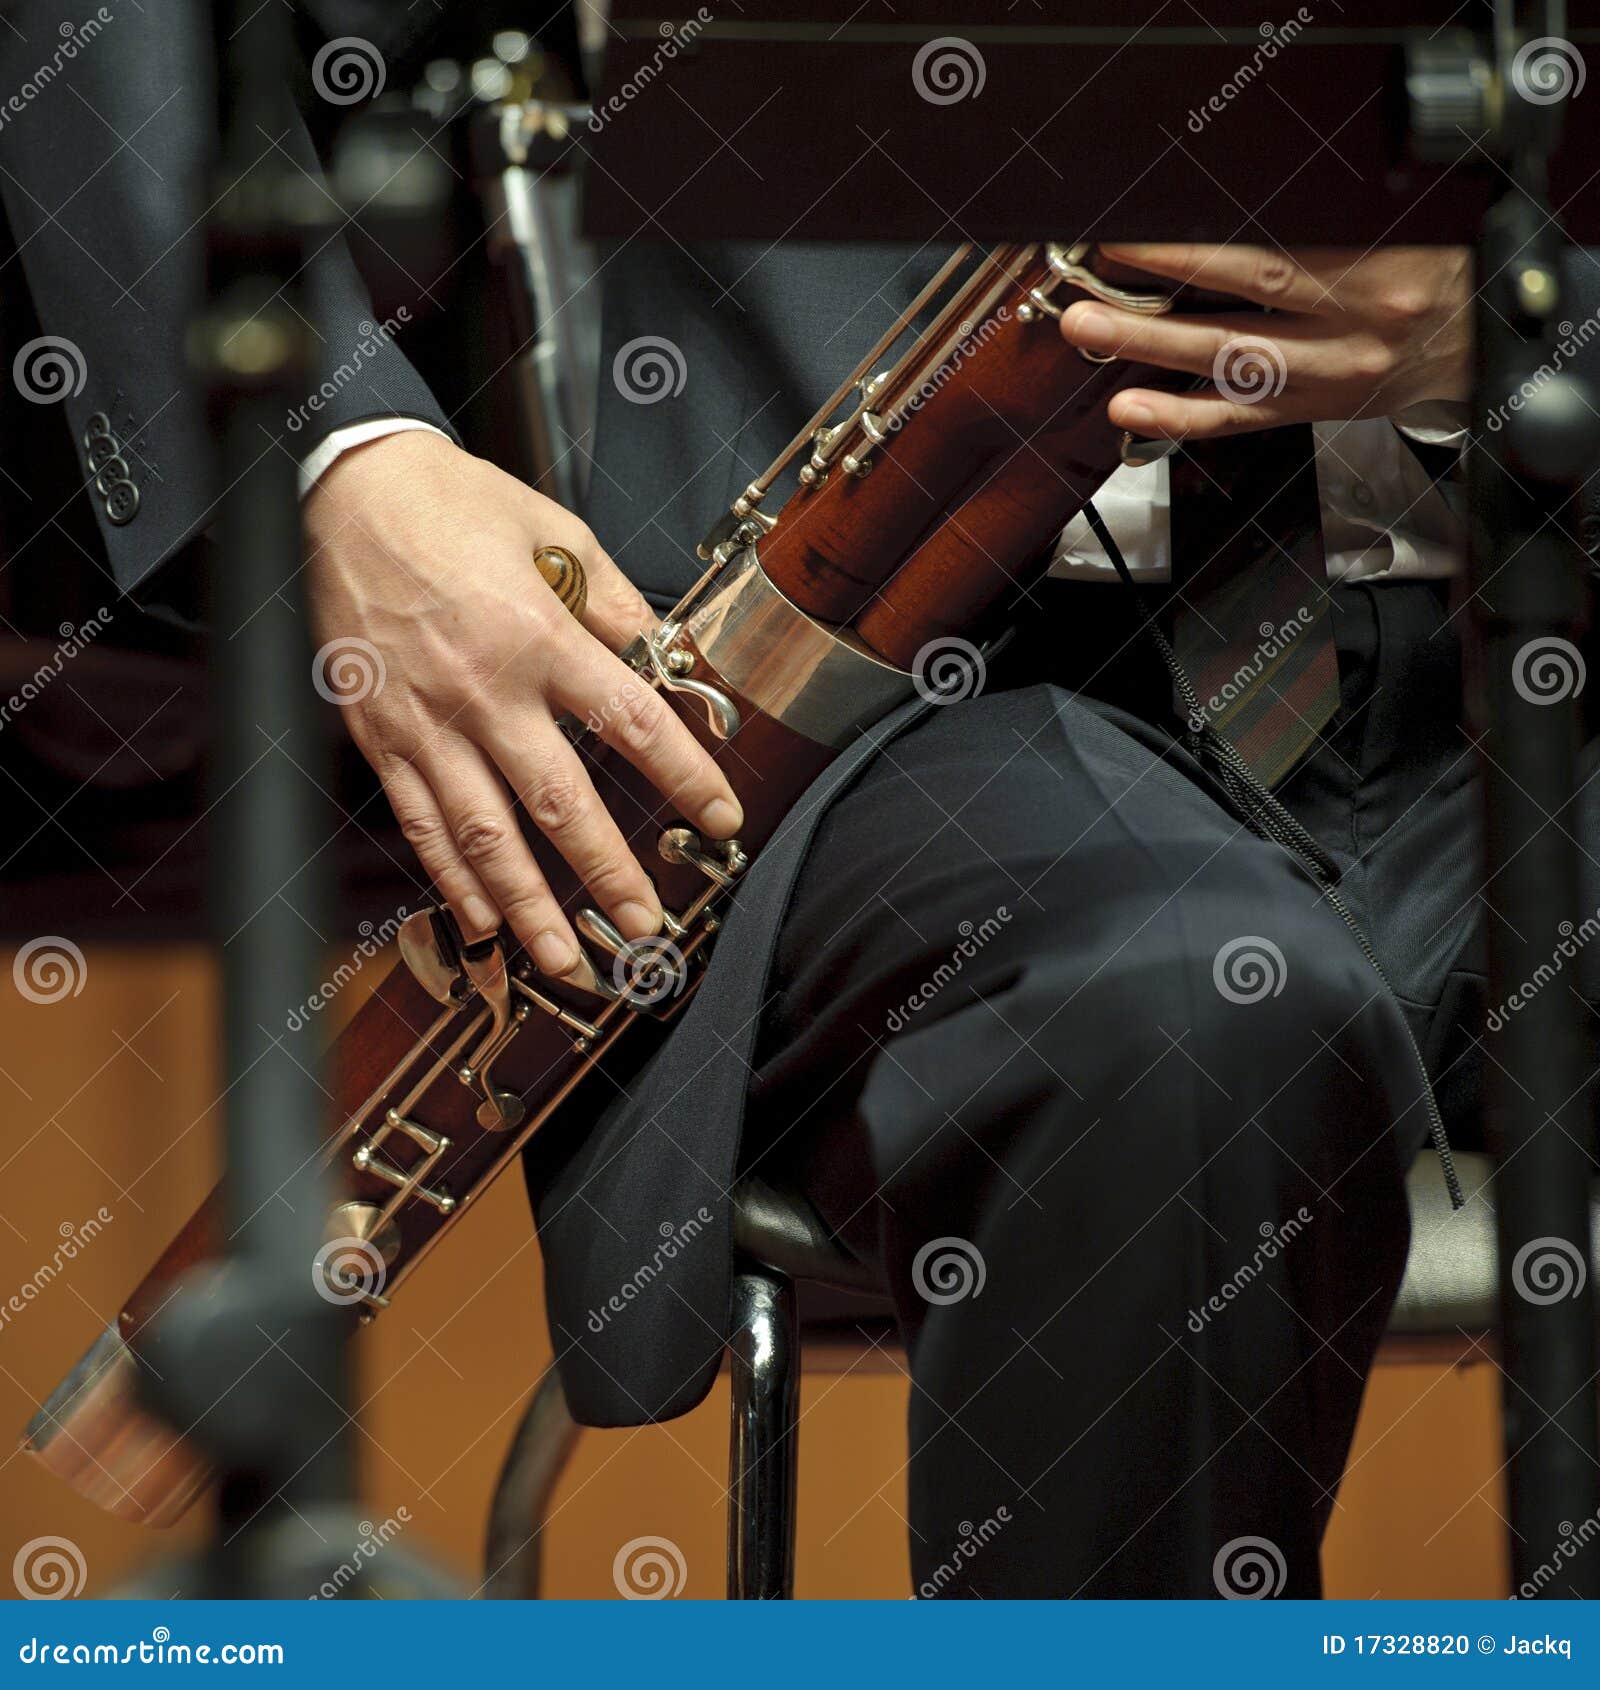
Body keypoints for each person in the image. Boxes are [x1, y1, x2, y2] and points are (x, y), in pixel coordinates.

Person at [5, 1, 1600, 1596]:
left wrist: (1542, 315)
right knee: (1182, 1005)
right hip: (859, 700)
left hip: (1517, 634)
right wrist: (333, 451)